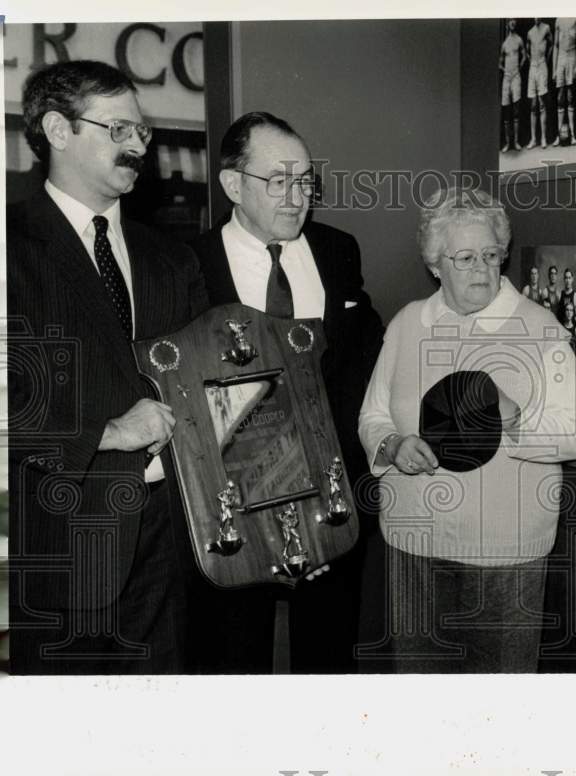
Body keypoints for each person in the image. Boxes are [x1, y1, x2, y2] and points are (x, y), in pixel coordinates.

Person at [7, 60, 209, 674]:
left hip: (172, 539)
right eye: (119, 128)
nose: (137, 146)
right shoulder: (11, 245)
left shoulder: (169, 256)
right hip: (65, 540)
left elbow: (200, 378)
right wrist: (110, 432)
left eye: (142, 133)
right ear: (58, 130)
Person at [358, 188, 576, 673]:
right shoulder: (406, 324)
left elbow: (573, 436)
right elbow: (373, 415)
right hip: (413, 541)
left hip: (503, 552)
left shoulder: (540, 328)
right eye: (464, 258)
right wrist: (393, 445)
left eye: (490, 255)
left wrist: (512, 415)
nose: (481, 269)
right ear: (435, 264)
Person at [188, 111, 384, 674]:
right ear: (232, 185)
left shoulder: (337, 250)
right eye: (278, 181)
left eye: (305, 181)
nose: (298, 197)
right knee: (232, 664)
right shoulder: (187, 265)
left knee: (328, 664)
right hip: (231, 512)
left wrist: (333, 497)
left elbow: (355, 368)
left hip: (331, 503)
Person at [499, 19, 526, 153]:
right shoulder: (504, 44)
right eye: (510, 21)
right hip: (507, 77)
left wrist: (518, 68)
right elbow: (500, 63)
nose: (513, 23)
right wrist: (506, 71)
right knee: (506, 109)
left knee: (516, 109)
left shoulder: (519, 40)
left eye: (515, 20)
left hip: (516, 76)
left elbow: (524, 56)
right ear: (507, 24)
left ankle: (515, 142)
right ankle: (508, 143)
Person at [553, 17, 576, 145]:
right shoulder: (558, 20)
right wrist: (554, 68)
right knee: (560, 97)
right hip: (561, 58)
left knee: (570, 96)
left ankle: (573, 134)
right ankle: (559, 135)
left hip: (572, 55)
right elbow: (555, 45)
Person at [526, 18, 553, 150]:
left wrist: (545, 60)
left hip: (542, 65)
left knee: (542, 103)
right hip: (533, 67)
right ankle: (533, 138)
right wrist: (532, 62)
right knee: (533, 104)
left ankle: (543, 138)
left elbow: (552, 44)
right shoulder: (530, 32)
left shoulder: (546, 28)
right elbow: (527, 50)